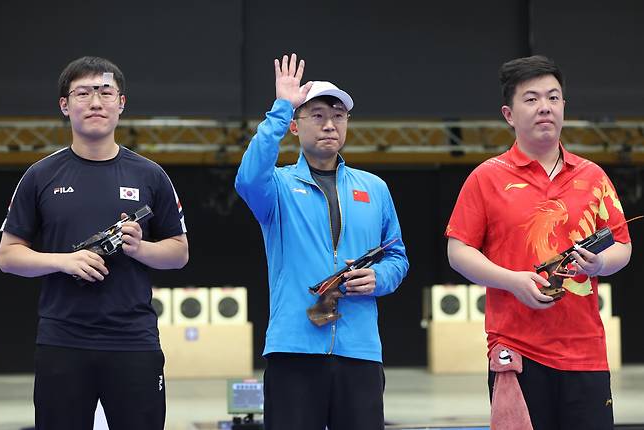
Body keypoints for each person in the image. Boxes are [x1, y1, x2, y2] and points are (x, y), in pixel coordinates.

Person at [0, 56, 189, 430]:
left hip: (134, 341)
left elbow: (179, 253)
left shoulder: (151, 175)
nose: (96, 102)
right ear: (65, 106)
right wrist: (63, 262)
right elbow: (8, 256)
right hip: (62, 341)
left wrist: (140, 248)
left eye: (105, 92)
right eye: (83, 93)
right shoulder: (40, 176)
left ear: (121, 103)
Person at [446, 55, 632, 429]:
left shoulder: (593, 176)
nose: (544, 107)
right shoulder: (486, 177)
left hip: (585, 352)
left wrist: (600, 264)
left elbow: (622, 246)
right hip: (516, 349)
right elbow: (458, 251)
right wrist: (512, 281)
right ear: (509, 114)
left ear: (564, 106)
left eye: (553, 97)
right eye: (531, 99)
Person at [235, 53, 408, 430]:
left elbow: (397, 256)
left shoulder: (374, 188)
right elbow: (247, 178)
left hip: (360, 351)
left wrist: (380, 278)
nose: (329, 124)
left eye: (338, 116)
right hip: (293, 349)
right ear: (295, 127)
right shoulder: (277, 186)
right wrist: (282, 107)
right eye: (316, 115)